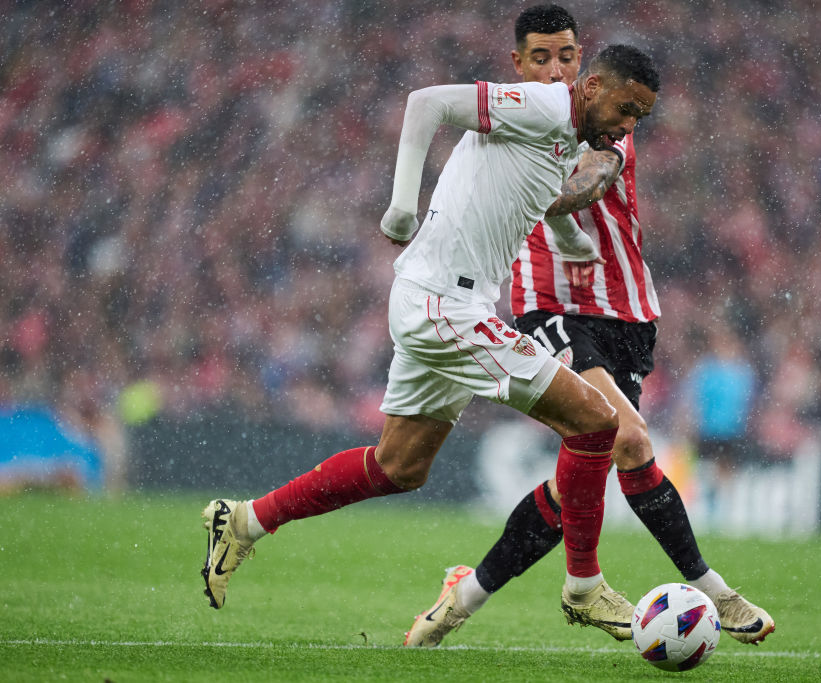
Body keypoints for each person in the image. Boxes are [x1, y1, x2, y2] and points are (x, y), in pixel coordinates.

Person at [201, 42, 661, 639]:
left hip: (434, 301)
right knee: (599, 424)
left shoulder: (564, 136)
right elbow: (427, 103)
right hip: (448, 307)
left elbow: (534, 202)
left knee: (399, 466)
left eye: (640, 119)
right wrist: (400, 206)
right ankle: (584, 587)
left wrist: (574, 242)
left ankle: (244, 521)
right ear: (594, 87)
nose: (629, 126)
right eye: (627, 109)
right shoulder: (547, 107)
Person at [403, 4, 774, 648]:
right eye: (542, 57)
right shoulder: (525, 117)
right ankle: (710, 589)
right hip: (552, 304)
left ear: (584, 67)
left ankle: (461, 598)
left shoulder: (605, 126)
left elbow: (587, 175)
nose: (556, 68)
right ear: (522, 62)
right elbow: (538, 187)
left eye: (566, 57)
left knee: (582, 473)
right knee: (627, 440)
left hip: (628, 311)